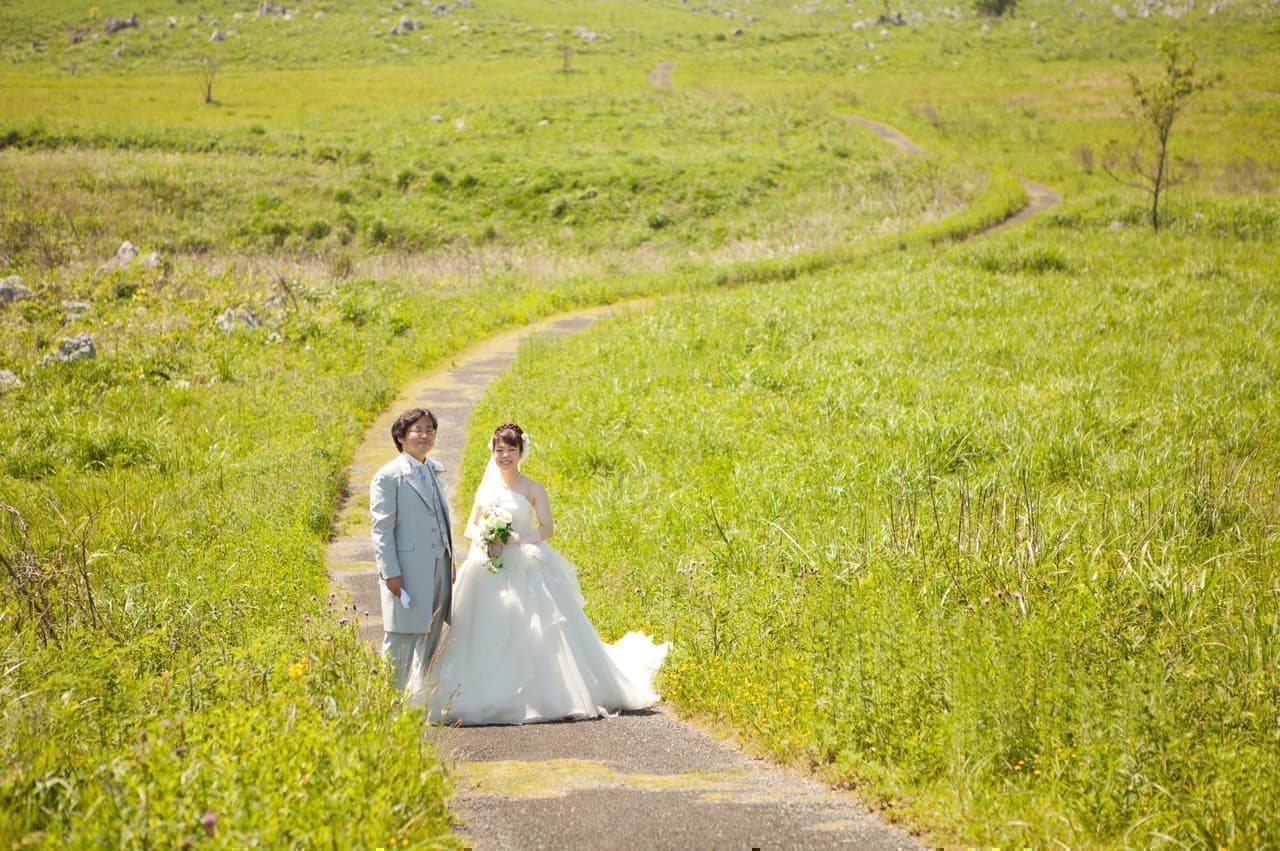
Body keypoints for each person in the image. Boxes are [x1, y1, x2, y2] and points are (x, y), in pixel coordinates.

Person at [410, 422, 670, 725]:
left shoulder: (533, 488)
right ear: (493, 453)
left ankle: (542, 695)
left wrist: (517, 538)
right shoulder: (486, 488)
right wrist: (487, 537)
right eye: (499, 450)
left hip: (526, 561)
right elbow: (471, 526)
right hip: (488, 562)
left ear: (521, 453)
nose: (504, 456)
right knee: (481, 627)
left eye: (510, 450)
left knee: (536, 626)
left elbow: (548, 528)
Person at [370, 408, 454, 691]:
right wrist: (390, 573)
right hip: (406, 571)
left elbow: (441, 516)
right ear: (401, 437)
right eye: (418, 430)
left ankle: (421, 702)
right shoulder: (388, 476)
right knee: (401, 637)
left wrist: (449, 559)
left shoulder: (434, 468)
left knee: (431, 634)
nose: (425, 435)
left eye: (430, 429)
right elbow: (382, 530)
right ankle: (387, 703)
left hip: (439, 566)